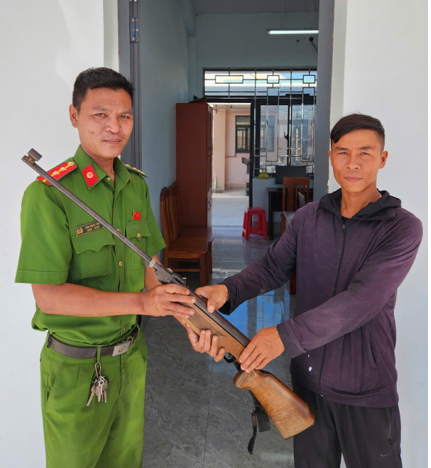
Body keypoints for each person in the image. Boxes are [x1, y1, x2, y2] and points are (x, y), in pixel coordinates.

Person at [186, 114, 422, 468]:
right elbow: (272, 267)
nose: (352, 163)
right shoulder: (309, 217)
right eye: (342, 152)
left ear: (382, 159)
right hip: (307, 385)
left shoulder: (401, 228)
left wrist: (283, 336)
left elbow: (360, 302)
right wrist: (226, 289)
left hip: (366, 389)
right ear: (330, 157)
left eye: (365, 153)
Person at [15, 67, 196, 468]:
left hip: (131, 357)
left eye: (124, 116)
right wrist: (143, 303)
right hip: (77, 367)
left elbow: (150, 263)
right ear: (74, 115)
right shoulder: (49, 195)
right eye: (100, 114)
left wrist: (187, 315)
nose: (115, 127)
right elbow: (49, 298)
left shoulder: (135, 184)